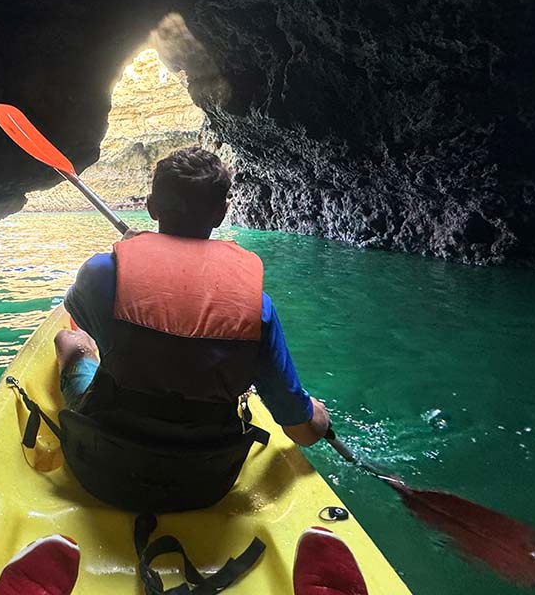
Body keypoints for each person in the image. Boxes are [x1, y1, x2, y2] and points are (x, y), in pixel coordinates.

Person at [54, 147, 331, 511]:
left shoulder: (101, 273)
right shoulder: (256, 305)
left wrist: (135, 258)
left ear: (152, 207)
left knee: (71, 340)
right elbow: (302, 432)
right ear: (222, 212)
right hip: (207, 480)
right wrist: (317, 414)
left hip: (104, 463)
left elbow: (93, 322)